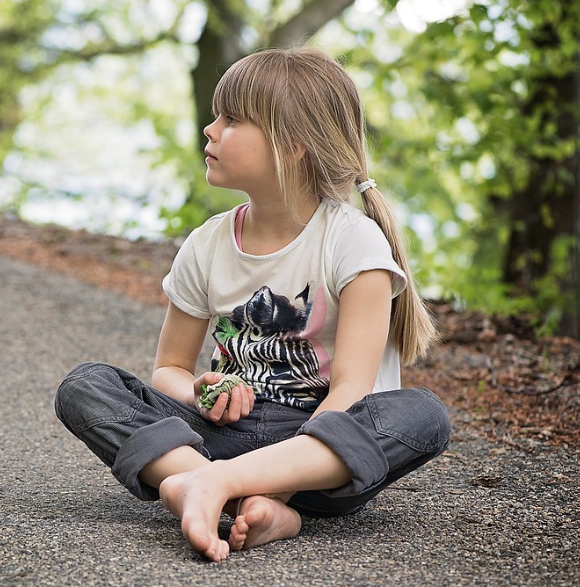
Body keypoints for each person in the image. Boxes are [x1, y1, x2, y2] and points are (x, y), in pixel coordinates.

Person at [54, 47, 450, 562]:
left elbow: (350, 392)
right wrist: (201, 392)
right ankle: (218, 489)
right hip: (218, 436)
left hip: (317, 459)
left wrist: (276, 486)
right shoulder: (208, 242)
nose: (210, 130)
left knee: (422, 415)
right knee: (85, 386)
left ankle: (203, 486)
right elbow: (170, 368)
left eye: (232, 119)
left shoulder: (354, 243)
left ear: (294, 146)